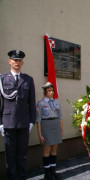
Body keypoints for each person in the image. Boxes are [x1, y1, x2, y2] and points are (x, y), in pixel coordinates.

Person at [0, 50, 36, 180]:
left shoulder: (28, 79)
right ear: (10, 61)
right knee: (10, 155)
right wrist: (0, 123)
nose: (17, 62)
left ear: (22, 63)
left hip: (23, 123)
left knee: (22, 154)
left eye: (19, 60)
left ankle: (22, 177)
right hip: (8, 122)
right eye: (15, 60)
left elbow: (31, 102)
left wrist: (32, 121)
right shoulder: (2, 79)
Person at [36, 82, 63, 180]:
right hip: (46, 126)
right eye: (49, 91)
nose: (51, 93)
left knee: (54, 149)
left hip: (55, 125)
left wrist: (61, 129)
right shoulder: (40, 103)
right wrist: (40, 135)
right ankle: (47, 173)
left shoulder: (57, 102)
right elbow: (38, 120)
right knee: (47, 149)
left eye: (52, 90)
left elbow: (60, 116)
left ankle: (53, 171)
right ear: (45, 92)